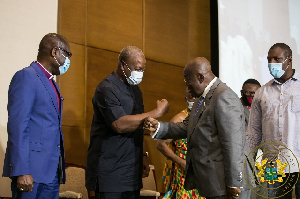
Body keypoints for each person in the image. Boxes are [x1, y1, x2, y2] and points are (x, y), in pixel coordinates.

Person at [144, 57, 250, 199]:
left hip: (227, 186)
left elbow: (233, 143)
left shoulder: (224, 96)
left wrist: (233, 183)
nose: (187, 86)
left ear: (200, 77)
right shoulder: (203, 98)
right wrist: (159, 126)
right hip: (214, 184)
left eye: (188, 80)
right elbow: (186, 126)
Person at [85, 46, 169, 199]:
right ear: (123, 65)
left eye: (143, 69)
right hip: (109, 171)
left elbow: (138, 123)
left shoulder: (135, 90)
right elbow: (119, 124)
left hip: (131, 170)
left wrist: (144, 154)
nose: (140, 73)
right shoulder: (106, 88)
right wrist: (157, 112)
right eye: (137, 68)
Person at [2, 33, 72, 198]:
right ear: (55, 52)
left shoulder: (52, 83)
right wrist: (22, 170)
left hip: (51, 172)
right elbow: (18, 126)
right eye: (67, 54)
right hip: (30, 172)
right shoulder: (26, 76)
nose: (68, 60)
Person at [247, 43, 300, 198]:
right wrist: (249, 162)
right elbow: (253, 131)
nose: (271, 63)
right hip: (271, 163)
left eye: (277, 59)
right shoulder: (261, 93)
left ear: (289, 60)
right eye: (269, 59)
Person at [157, 87, 204, 199]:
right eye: (191, 97)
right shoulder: (179, 119)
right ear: (186, 98)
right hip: (184, 174)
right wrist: (181, 162)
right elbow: (160, 144)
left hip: (203, 172)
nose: (194, 100)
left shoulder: (207, 118)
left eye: (196, 96)